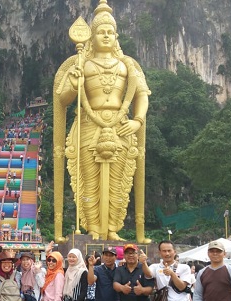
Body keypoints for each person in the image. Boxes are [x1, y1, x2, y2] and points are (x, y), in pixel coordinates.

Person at [53, 0, 150, 242]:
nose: (105, 36)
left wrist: (137, 121)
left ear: (116, 36)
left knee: (118, 181)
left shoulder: (127, 65)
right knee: (89, 180)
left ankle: (113, 229)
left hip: (121, 124)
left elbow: (142, 95)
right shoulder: (81, 64)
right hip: (88, 123)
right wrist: (75, 84)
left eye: (109, 32)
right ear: (91, 37)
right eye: (100, 32)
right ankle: (93, 229)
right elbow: (62, 99)